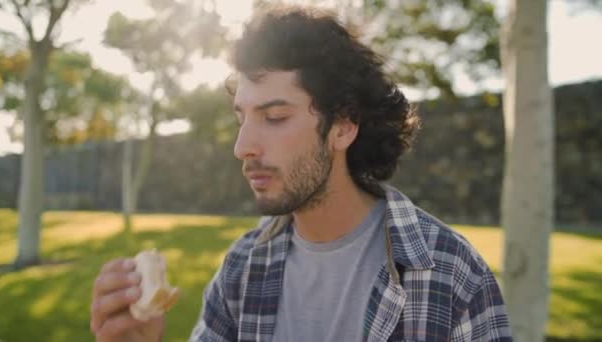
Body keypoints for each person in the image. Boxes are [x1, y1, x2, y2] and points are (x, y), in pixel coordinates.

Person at [90, 5, 512, 342]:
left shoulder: (454, 275)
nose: (243, 147)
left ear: (344, 125)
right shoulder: (241, 268)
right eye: (242, 118)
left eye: (274, 117)